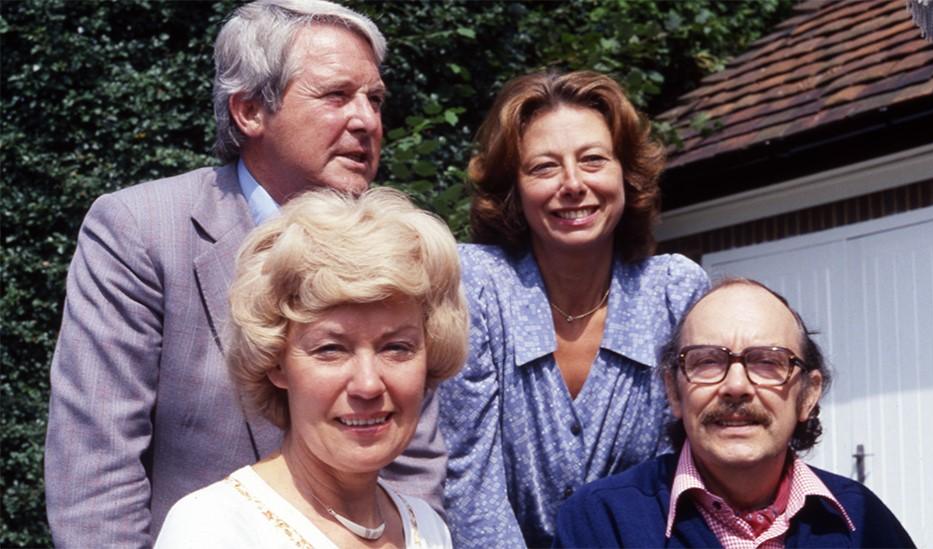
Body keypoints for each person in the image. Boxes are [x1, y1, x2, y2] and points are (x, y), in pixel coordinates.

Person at [44, 2, 446, 546]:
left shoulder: (400, 243)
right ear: (249, 111)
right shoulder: (140, 230)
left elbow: (413, 456)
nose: (367, 119)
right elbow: (96, 470)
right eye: (336, 96)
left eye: (374, 99)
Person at [438, 70, 711, 547]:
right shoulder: (477, 286)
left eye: (593, 160)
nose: (572, 184)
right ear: (515, 190)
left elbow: (699, 469)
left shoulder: (673, 293)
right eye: (544, 167)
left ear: (625, 173)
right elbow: (470, 481)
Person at [154, 188, 466, 548]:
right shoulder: (214, 529)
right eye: (331, 349)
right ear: (276, 362)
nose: (368, 384)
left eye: (396, 348)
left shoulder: (426, 527)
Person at [553, 278, 916, 548]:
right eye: (708, 361)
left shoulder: (861, 521)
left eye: (767, 362)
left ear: (808, 395)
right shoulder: (600, 521)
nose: (736, 386)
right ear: (673, 392)